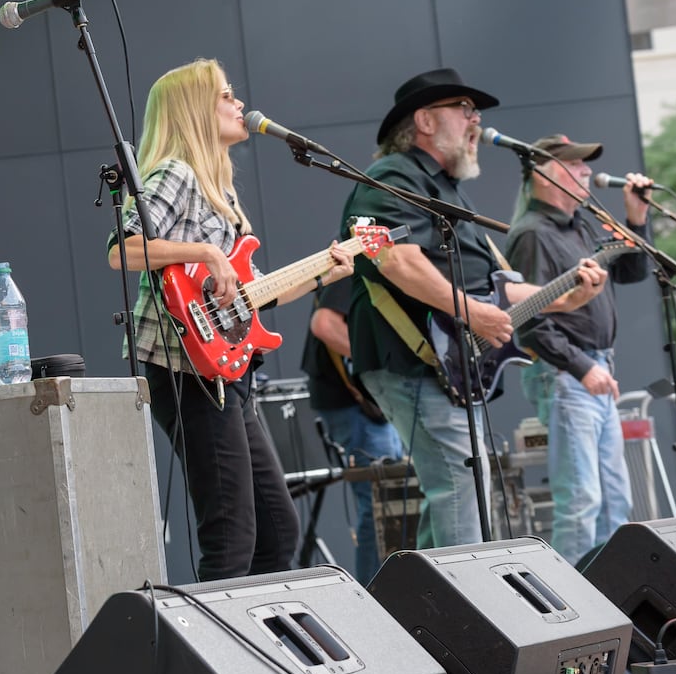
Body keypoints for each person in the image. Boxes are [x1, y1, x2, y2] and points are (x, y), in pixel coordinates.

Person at [108, 58, 353, 581]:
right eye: (226, 96)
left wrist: (326, 274)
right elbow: (122, 250)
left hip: (225, 372)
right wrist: (207, 252)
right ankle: (214, 658)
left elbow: (252, 298)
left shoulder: (222, 190)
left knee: (278, 531)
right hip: (185, 370)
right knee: (232, 534)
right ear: (196, 111)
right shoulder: (175, 173)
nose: (239, 104)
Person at [340, 68, 605, 550]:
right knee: (462, 483)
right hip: (411, 358)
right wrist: (469, 312)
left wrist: (566, 298)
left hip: (441, 363)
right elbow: (395, 258)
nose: (475, 121)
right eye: (464, 110)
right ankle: (463, 618)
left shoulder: (448, 189)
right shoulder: (391, 176)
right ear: (424, 120)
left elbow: (495, 290)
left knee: (457, 488)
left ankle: (420, 612)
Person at [507, 134, 652, 564]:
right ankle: (580, 610)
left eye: (586, 164)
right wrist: (583, 367)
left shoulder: (579, 226)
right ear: (544, 175)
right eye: (576, 164)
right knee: (582, 501)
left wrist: (636, 217)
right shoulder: (533, 234)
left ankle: (614, 597)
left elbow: (632, 270)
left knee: (614, 500)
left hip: (591, 372)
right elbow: (528, 321)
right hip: (568, 375)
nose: (588, 171)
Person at [300, 278, 405, 582]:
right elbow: (325, 323)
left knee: (389, 506)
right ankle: (377, 597)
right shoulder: (357, 263)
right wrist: (383, 363)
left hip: (373, 405)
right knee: (379, 507)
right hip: (354, 405)